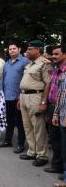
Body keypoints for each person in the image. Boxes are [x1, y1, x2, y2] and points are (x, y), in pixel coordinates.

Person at [19, 39, 53, 167]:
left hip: (36, 97)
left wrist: (44, 101)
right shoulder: (29, 64)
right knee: (27, 126)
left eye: (30, 49)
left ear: (37, 50)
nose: (27, 51)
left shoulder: (44, 64)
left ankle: (42, 155)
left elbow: (48, 83)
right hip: (24, 96)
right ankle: (32, 151)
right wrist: (19, 97)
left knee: (38, 127)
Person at [0, 41, 28, 154]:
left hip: (18, 97)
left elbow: (26, 80)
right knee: (9, 121)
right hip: (6, 97)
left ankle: (20, 144)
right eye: (10, 49)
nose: (12, 50)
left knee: (19, 122)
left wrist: (21, 95)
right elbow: (2, 79)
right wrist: (0, 93)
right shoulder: (7, 63)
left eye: (14, 48)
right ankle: (7, 140)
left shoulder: (25, 62)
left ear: (19, 49)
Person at [45, 45, 65, 174]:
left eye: (57, 54)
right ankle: (57, 166)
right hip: (53, 107)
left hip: (62, 110)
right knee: (55, 138)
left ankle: (63, 170)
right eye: (52, 54)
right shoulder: (56, 69)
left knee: (63, 140)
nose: (53, 56)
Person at [52, 44, 66, 187]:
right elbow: (60, 94)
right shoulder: (60, 72)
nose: (54, 57)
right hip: (62, 114)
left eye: (57, 54)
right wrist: (56, 113)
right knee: (62, 145)